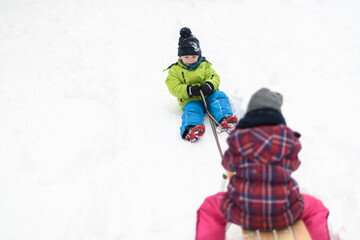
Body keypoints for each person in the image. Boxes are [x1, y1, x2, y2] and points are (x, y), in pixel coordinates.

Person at [195, 88, 330, 240]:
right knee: (316, 207)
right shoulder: (288, 139)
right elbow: (294, 164)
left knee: (210, 207)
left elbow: (228, 164)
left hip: (243, 211)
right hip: (284, 211)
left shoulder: (238, 138)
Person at [165, 27, 237, 142]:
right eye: (186, 57)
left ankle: (224, 118)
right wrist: (189, 90)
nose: (190, 60)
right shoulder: (175, 70)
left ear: (199, 55)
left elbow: (214, 77)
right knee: (193, 110)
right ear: (180, 57)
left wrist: (209, 85)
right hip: (190, 99)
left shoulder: (205, 65)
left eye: (194, 56)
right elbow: (174, 87)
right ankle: (192, 128)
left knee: (219, 96)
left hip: (208, 95)